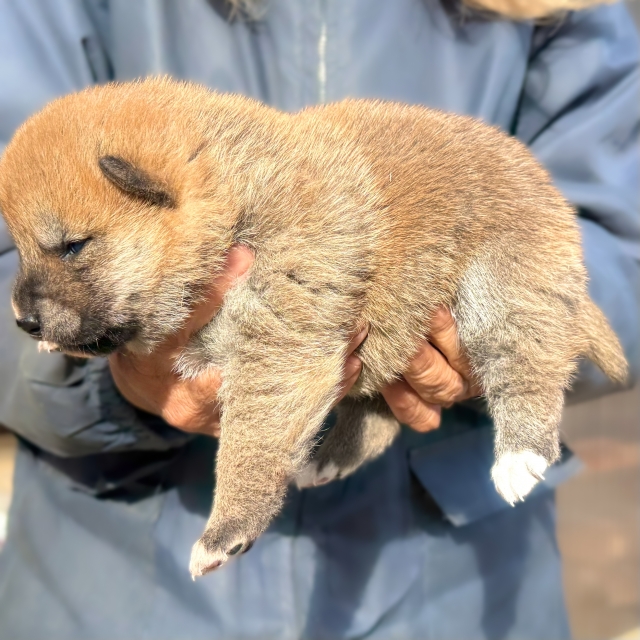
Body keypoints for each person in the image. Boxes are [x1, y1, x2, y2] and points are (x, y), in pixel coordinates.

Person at [0, 1, 638, 638]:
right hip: (117, 577)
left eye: (74, 250)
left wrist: (509, 345)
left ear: (153, 188)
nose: (26, 304)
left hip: (451, 585)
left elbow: (617, 247)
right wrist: (103, 382)